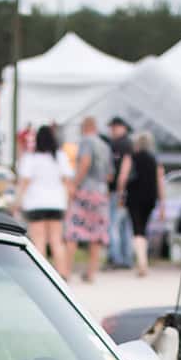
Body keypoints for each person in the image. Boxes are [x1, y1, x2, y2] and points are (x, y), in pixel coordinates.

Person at [16, 124, 72, 277]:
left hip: (36, 203)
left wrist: (17, 202)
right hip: (56, 203)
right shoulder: (59, 156)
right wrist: (68, 202)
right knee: (56, 241)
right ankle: (63, 274)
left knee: (39, 241)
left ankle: (43, 276)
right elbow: (67, 181)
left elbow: (24, 182)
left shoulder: (31, 158)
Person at [66, 116, 111, 283]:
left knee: (74, 231)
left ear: (84, 128)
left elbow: (85, 162)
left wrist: (74, 184)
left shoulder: (86, 142)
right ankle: (91, 272)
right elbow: (109, 174)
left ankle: (66, 270)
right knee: (96, 233)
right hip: (101, 192)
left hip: (86, 191)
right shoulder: (105, 146)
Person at [115, 130, 165, 278]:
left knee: (137, 229)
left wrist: (120, 195)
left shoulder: (131, 158)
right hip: (150, 198)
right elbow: (160, 183)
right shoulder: (155, 160)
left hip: (134, 197)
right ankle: (143, 261)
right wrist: (162, 205)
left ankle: (142, 261)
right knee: (143, 228)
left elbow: (122, 177)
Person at [106, 116, 133, 268]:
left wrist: (120, 190)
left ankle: (117, 258)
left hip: (120, 192)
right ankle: (126, 258)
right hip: (125, 192)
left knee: (114, 225)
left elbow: (124, 169)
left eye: (113, 127)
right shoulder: (124, 143)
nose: (112, 130)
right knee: (124, 227)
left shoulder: (122, 144)